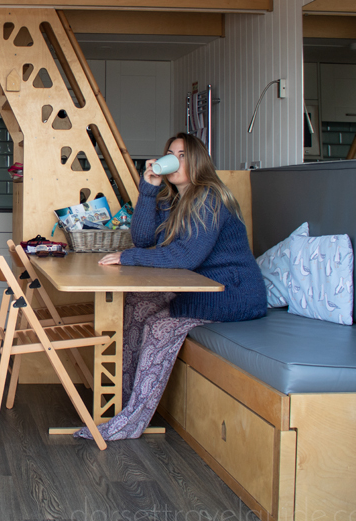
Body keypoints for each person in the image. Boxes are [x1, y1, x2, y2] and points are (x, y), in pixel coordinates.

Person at [76, 133, 265, 441]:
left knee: (159, 326)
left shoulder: (210, 197)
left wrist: (128, 257)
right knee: (137, 303)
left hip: (232, 293)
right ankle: (123, 404)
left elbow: (186, 256)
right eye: (171, 153)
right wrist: (148, 190)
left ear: (198, 161)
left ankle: (131, 421)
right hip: (199, 286)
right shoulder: (173, 199)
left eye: (183, 155)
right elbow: (143, 239)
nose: (175, 160)